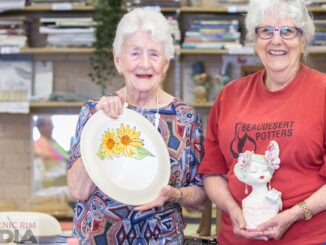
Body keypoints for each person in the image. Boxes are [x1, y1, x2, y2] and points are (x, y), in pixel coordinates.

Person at [67, 8, 207, 244]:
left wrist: (175, 194)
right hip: (97, 239)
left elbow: (202, 198)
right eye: (135, 53)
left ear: (165, 64)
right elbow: (78, 191)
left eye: (154, 54)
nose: (145, 63)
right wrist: (98, 126)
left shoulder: (185, 117)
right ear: (118, 60)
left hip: (161, 239)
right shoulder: (95, 111)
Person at [198, 0, 326, 244]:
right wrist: (232, 210)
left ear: (303, 40)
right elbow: (212, 172)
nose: (276, 41)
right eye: (265, 31)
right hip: (236, 238)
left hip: (308, 238)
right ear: (254, 40)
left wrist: (294, 215)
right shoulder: (230, 94)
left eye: (287, 31)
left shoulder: (323, 92)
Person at [34, 116, 69, 189]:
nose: (52, 127)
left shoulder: (53, 142)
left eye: (51, 124)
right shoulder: (39, 144)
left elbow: (66, 156)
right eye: (49, 124)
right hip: (54, 183)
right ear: (41, 128)